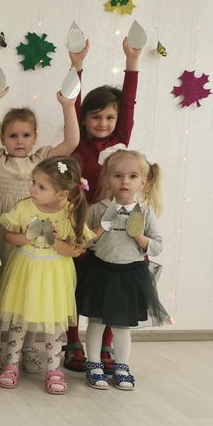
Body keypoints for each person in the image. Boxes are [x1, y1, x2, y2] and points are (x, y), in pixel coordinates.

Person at [0, 85, 79, 372]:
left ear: (35, 137)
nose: (19, 141)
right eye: (12, 135)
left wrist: (68, 106)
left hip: (34, 238)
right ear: (3, 139)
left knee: (30, 289)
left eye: (25, 135)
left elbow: (71, 141)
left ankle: (29, 347)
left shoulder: (42, 162)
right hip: (2, 230)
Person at [63, 37, 143, 372]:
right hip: (80, 222)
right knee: (74, 283)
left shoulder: (120, 142)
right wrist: (76, 65)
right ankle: (72, 341)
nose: (103, 123)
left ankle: (107, 344)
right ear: (84, 120)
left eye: (109, 117)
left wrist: (132, 62)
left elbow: (129, 105)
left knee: (113, 285)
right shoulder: (76, 143)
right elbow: (73, 102)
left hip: (114, 226)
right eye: (95, 117)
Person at [0, 157, 93, 395]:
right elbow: (8, 237)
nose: (33, 189)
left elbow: (77, 250)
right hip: (26, 270)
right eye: (33, 182)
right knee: (19, 319)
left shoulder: (70, 213)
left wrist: (54, 241)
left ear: (62, 194)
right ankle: (11, 364)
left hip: (54, 275)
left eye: (41, 186)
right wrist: (28, 236)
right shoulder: (25, 207)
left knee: (54, 322)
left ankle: (54, 369)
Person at [77, 149, 168, 390]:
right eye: (118, 175)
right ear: (108, 179)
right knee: (96, 321)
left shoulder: (144, 213)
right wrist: (100, 228)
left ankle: (121, 365)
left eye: (132, 176)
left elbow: (157, 245)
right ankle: (93, 364)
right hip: (100, 272)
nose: (124, 181)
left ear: (143, 181)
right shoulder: (98, 209)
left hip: (129, 275)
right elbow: (83, 242)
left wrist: (140, 237)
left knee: (122, 326)